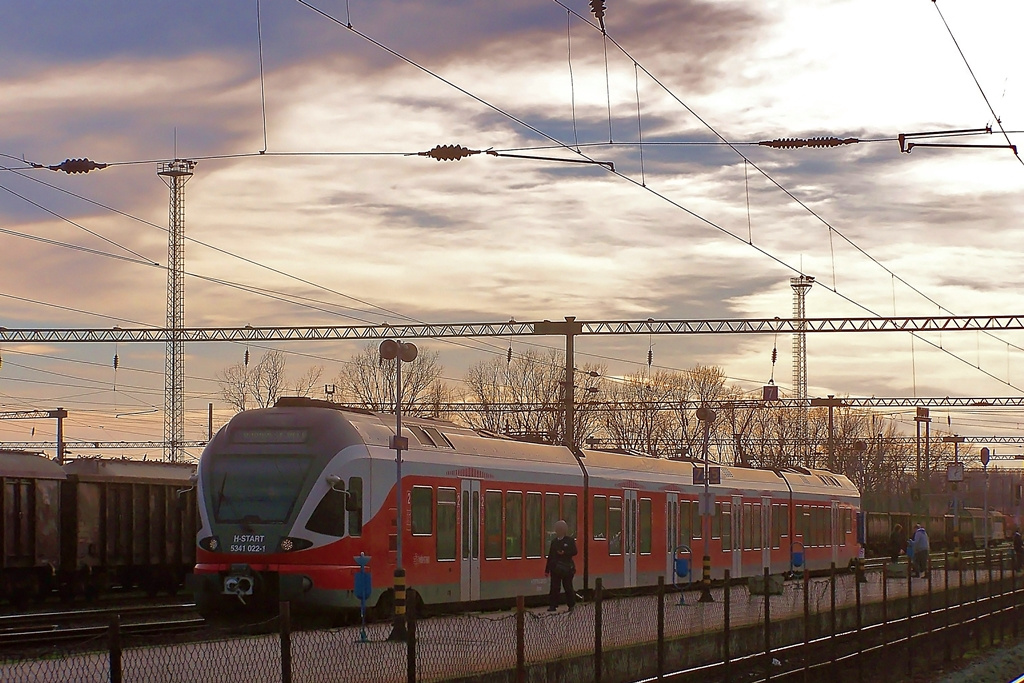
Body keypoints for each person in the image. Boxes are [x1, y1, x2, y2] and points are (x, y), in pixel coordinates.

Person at [545, 519, 577, 612]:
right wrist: (547, 569)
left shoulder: (570, 540)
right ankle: (553, 605)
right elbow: (550, 556)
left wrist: (565, 553)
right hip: (555, 568)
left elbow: (574, 551)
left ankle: (571, 604)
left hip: (567, 568)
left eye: (560, 529)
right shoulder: (554, 542)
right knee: (554, 587)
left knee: (568, 587)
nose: (558, 531)